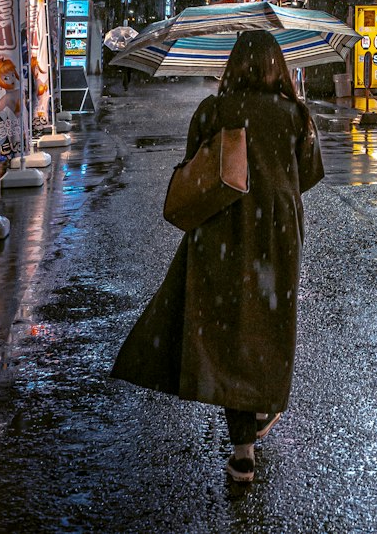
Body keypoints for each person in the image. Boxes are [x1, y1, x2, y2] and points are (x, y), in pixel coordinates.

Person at [111, 29, 325, 483]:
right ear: (277, 66)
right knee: (269, 326)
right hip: (277, 236)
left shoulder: (214, 111)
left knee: (231, 329)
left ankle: (243, 446)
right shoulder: (295, 114)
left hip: (220, 234)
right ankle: (263, 405)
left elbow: (195, 167)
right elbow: (309, 174)